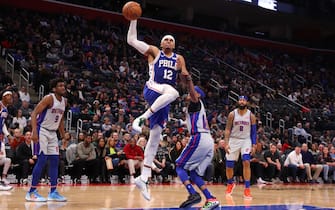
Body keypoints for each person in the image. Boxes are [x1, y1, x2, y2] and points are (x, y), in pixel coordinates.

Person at [126, 19, 190, 200]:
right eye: (166, 39)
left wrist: (186, 77)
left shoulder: (179, 58)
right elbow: (131, 40)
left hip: (164, 99)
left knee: (155, 137)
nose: (168, 41)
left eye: (171, 40)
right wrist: (133, 20)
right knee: (172, 91)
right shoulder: (154, 52)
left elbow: (184, 77)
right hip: (153, 88)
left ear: (175, 45)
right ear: (161, 43)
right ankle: (140, 118)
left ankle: (143, 179)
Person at [175, 78, 219, 209]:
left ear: (197, 95)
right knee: (194, 174)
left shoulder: (196, 102)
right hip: (208, 141)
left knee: (179, 166)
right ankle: (211, 198)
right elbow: (184, 122)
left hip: (199, 138)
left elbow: (193, 93)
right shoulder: (195, 109)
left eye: (192, 93)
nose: (189, 94)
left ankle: (193, 193)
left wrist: (189, 81)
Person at [25, 78, 67, 202]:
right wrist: (34, 132)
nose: (63, 87)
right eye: (60, 86)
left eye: (64, 85)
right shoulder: (49, 98)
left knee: (55, 161)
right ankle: (31, 192)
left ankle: (53, 191)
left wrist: (63, 136)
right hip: (42, 130)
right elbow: (34, 114)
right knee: (42, 160)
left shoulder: (64, 101)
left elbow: (60, 120)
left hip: (53, 133)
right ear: (54, 88)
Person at [224, 95, 257, 200]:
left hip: (246, 140)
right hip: (233, 139)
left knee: (246, 161)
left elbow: (253, 132)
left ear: (247, 103)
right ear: (238, 102)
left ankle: (247, 188)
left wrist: (254, 144)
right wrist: (226, 142)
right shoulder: (232, 114)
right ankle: (230, 183)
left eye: (243, 100)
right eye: (240, 100)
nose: (241, 102)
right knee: (229, 165)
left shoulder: (251, 116)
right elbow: (228, 129)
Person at [0, 90, 14, 191]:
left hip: (1, 136)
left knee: (5, 159)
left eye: (11, 96)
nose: (10, 97)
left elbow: (2, 123)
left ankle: (3, 179)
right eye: (8, 95)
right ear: (3, 97)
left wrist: (7, 135)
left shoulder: (6, 109)